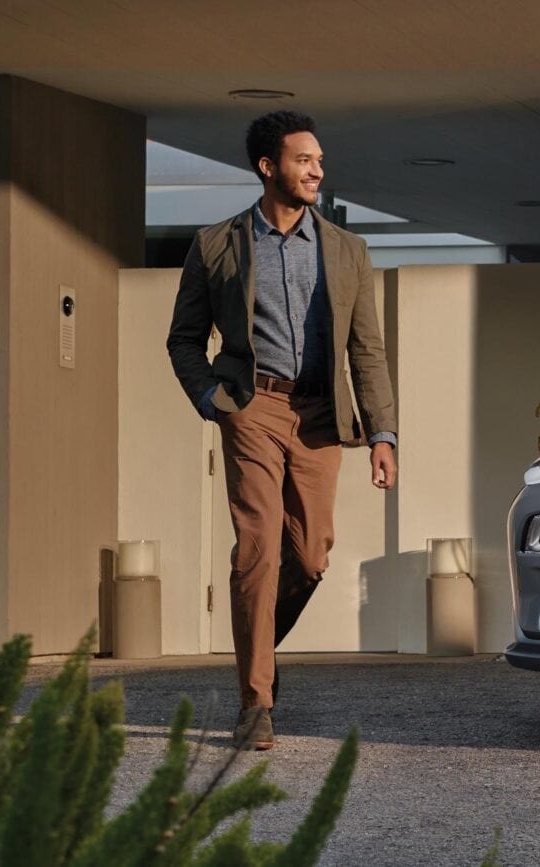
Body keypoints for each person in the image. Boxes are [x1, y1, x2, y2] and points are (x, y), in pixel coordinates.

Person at [164, 110, 400, 750]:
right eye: (304, 160)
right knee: (257, 551)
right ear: (269, 167)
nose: (318, 170)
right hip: (253, 406)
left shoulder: (348, 250)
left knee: (311, 556)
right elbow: (184, 340)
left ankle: (258, 646)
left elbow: (367, 350)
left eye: (319, 160)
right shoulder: (216, 244)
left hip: (322, 415)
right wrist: (214, 398)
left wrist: (383, 433)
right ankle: (255, 703)